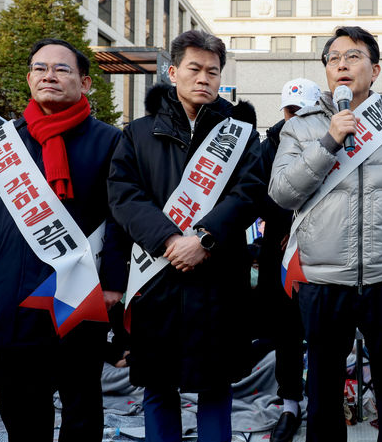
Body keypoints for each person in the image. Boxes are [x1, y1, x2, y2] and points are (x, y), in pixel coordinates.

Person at [269, 26, 382, 442]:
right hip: (323, 280)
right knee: (324, 388)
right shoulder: (301, 127)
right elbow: (282, 192)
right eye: (333, 58)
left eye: (354, 56)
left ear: (375, 69)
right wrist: (329, 141)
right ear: (326, 71)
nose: (342, 64)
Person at [107, 30, 266, 442]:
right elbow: (123, 195)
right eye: (194, 69)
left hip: (219, 280)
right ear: (173, 71)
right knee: (158, 388)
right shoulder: (138, 133)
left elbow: (249, 193)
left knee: (216, 388)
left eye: (213, 71)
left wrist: (205, 239)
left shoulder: (240, 134)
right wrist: (169, 240)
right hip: (156, 278)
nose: (204, 78)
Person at [0, 38, 129, 441]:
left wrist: (112, 283)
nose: (49, 76)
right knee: (19, 405)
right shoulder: (2, 143)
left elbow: (119, 217)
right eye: (40, 68)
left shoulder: (110, 140)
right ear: (29, 79)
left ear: (86, 83)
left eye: (62, 69)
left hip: (80, 295)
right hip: (12, 292)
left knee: (82, 405)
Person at [256, 77, 321, 442]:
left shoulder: (335, 139)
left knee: (326, 331)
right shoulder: (269, 144)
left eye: (303, 110)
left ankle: (323, 400)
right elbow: (260, 190)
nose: (295, 116)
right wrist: (282, 224)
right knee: (286, 330)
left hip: (323, 249)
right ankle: (290, 403)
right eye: (290, 110)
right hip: (280, 252)